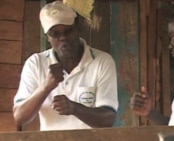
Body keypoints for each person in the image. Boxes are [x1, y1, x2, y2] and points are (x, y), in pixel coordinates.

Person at [13, 1, 118, 131]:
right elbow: (20, 117)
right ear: (48, 37)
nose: (63, 38)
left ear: (78, 28)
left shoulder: (102, 61)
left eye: (68, 31)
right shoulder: (35, 63)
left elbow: (108, 119)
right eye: (55, 34)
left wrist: (75, 108)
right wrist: (45, 87)